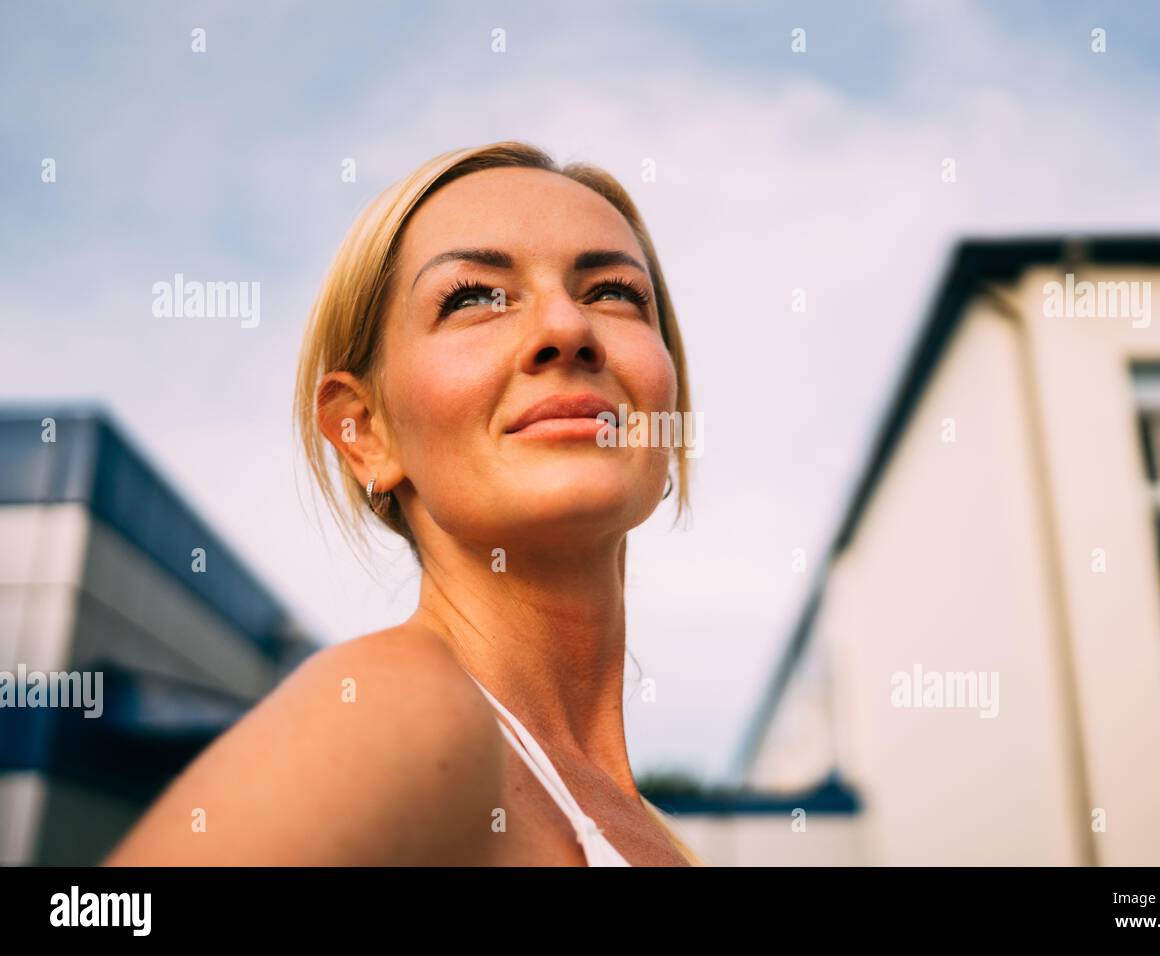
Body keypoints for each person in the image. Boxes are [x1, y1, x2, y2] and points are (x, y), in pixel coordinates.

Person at [103, 141, 707, 866]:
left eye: (613, 292)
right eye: (474, 297)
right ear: (365, 433)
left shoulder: (648, 826)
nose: (567, 330)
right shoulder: (405, 708)